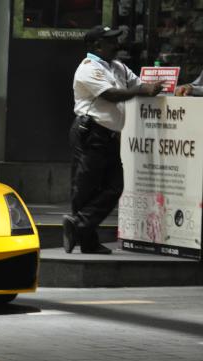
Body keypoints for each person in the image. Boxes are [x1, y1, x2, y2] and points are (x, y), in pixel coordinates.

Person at [63, 25, 164, 254]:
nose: (116, 45)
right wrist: (142, 91)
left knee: (115, 186)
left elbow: (137, 84)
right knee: (85, 188)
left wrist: (153, 87)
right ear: (96, 46)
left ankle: (78, 225)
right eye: (110, 41)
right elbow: (110, 94)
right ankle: (87, 241)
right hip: (90, 132)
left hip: (108, 135)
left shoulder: (117, 66)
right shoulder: (88, 68)